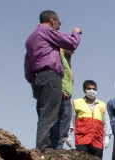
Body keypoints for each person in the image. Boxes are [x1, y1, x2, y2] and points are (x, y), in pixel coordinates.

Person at [24, 10, 81, 152]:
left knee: (46, 112)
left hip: (39, 78)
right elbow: (71, 43)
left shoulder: (31, 39)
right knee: (49, 114)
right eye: (59, 23)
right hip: (51, 76)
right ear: (52, 20)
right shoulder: (46, 31)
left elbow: (27, 64)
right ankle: (44, 147)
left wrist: (33, 85)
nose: (59, 26)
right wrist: (75, 32)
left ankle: (47, 146)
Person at [72, 79, 107, 158]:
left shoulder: (102, 105)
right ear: (84, 90)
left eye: (94, 89)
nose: (92, 91)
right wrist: (68, 135)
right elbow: (72, 120)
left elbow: (106, 122)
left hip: (97, 140)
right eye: (89, 89)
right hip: (82, 140)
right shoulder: (77, 102)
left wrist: (107, 136)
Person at [52, 49, 74, 149]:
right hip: (60, 96)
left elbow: (71, 79)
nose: (73, 51)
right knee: (57, 126)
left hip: (67, 97)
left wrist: (69, 60)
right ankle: (54, 149)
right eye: (72, 48)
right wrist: (60, 89)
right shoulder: (58, 55)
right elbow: (54, 72)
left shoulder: (65, 59)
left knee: (64, 126)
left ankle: (57, 148)